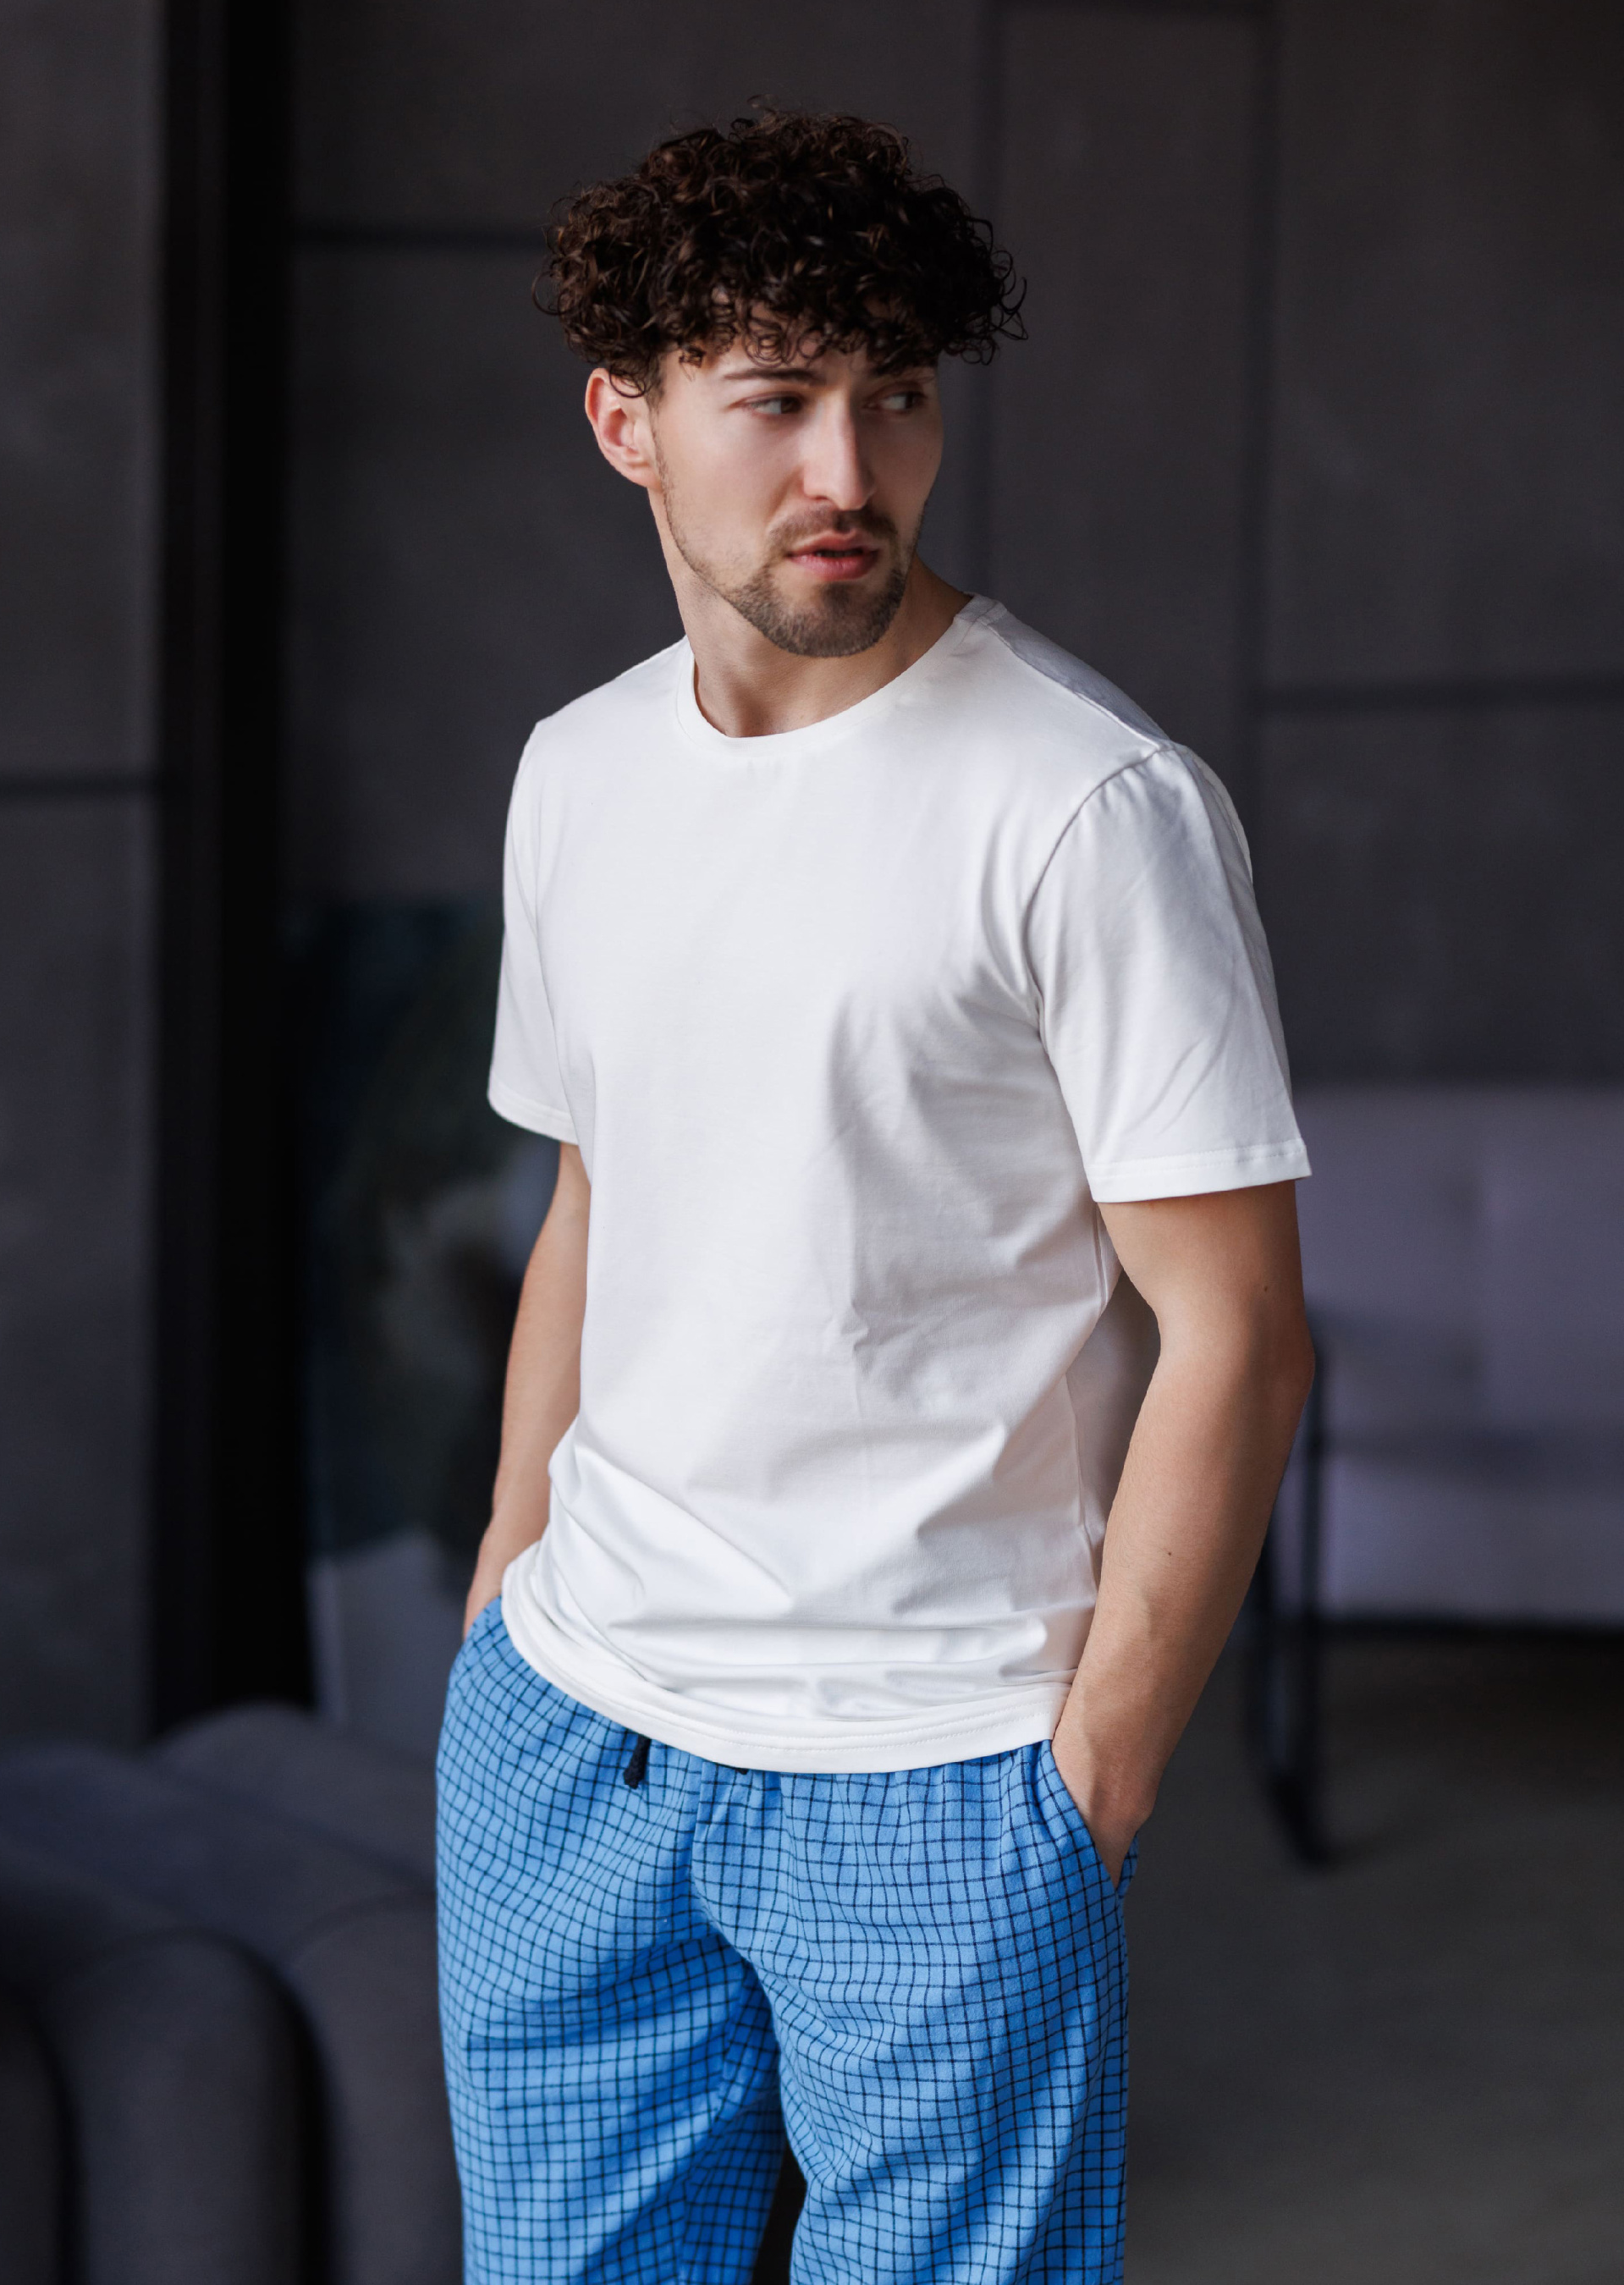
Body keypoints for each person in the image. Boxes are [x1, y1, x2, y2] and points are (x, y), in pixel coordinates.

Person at [437, 108, 1313, 2285]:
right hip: (577, 1739)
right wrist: (499, 1603)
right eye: (776, 399)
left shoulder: (1086, 804)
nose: (850, 467)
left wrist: (1086, 1784)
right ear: (625, 423)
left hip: (939, 1776)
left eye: (895, 394)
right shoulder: (577, 773)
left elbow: (1233, 1327)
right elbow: (594, 1194)